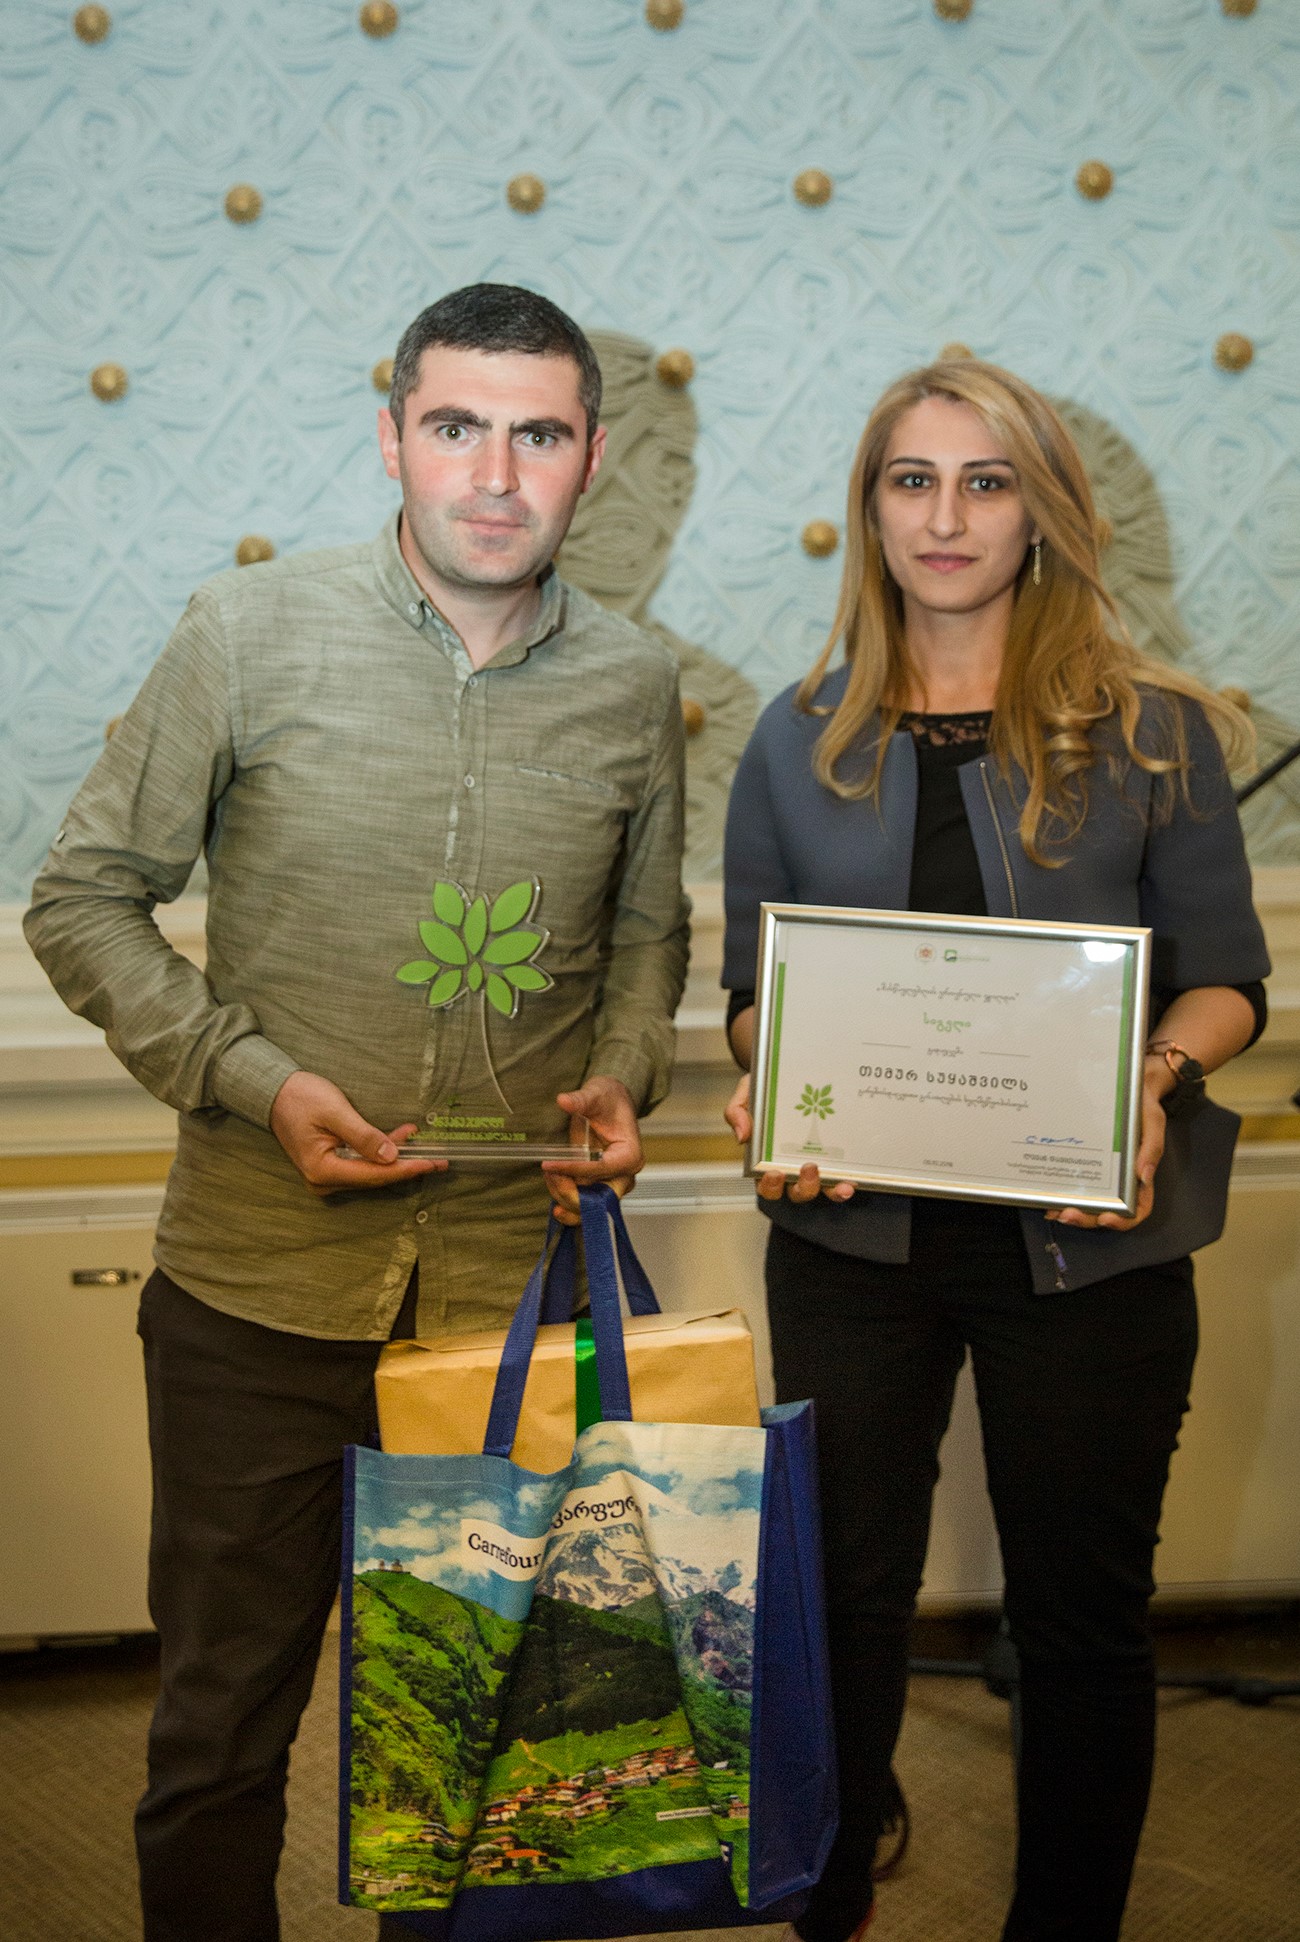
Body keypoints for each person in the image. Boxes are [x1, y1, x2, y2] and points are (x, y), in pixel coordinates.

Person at [25, 282, 689, 1942]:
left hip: (505, 1313)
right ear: (391, 436)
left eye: (537, 435)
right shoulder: (245, 632)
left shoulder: (634, 682)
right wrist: (255, 1081)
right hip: (255, 1289)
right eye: (455, 425)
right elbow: (84, 898)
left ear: (592, 456)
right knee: (218, 1732)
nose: (495, 474)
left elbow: (646, 935)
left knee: (476, 1754)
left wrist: (627, 1072)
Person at [720, 356, 1268, 1942]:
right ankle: (828, 1898)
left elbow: (1229, 977)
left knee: (1082, 1619)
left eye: (986, 480)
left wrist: (1156, 1069)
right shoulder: (796, 737)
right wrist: (769, 1078)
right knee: (841, 1597)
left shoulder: (1159, 732)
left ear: (1043, 512)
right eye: (913, 480)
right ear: (872, 510)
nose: (946, 516)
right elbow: (756, 991)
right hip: (851, 1238)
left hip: (1092, 1243)